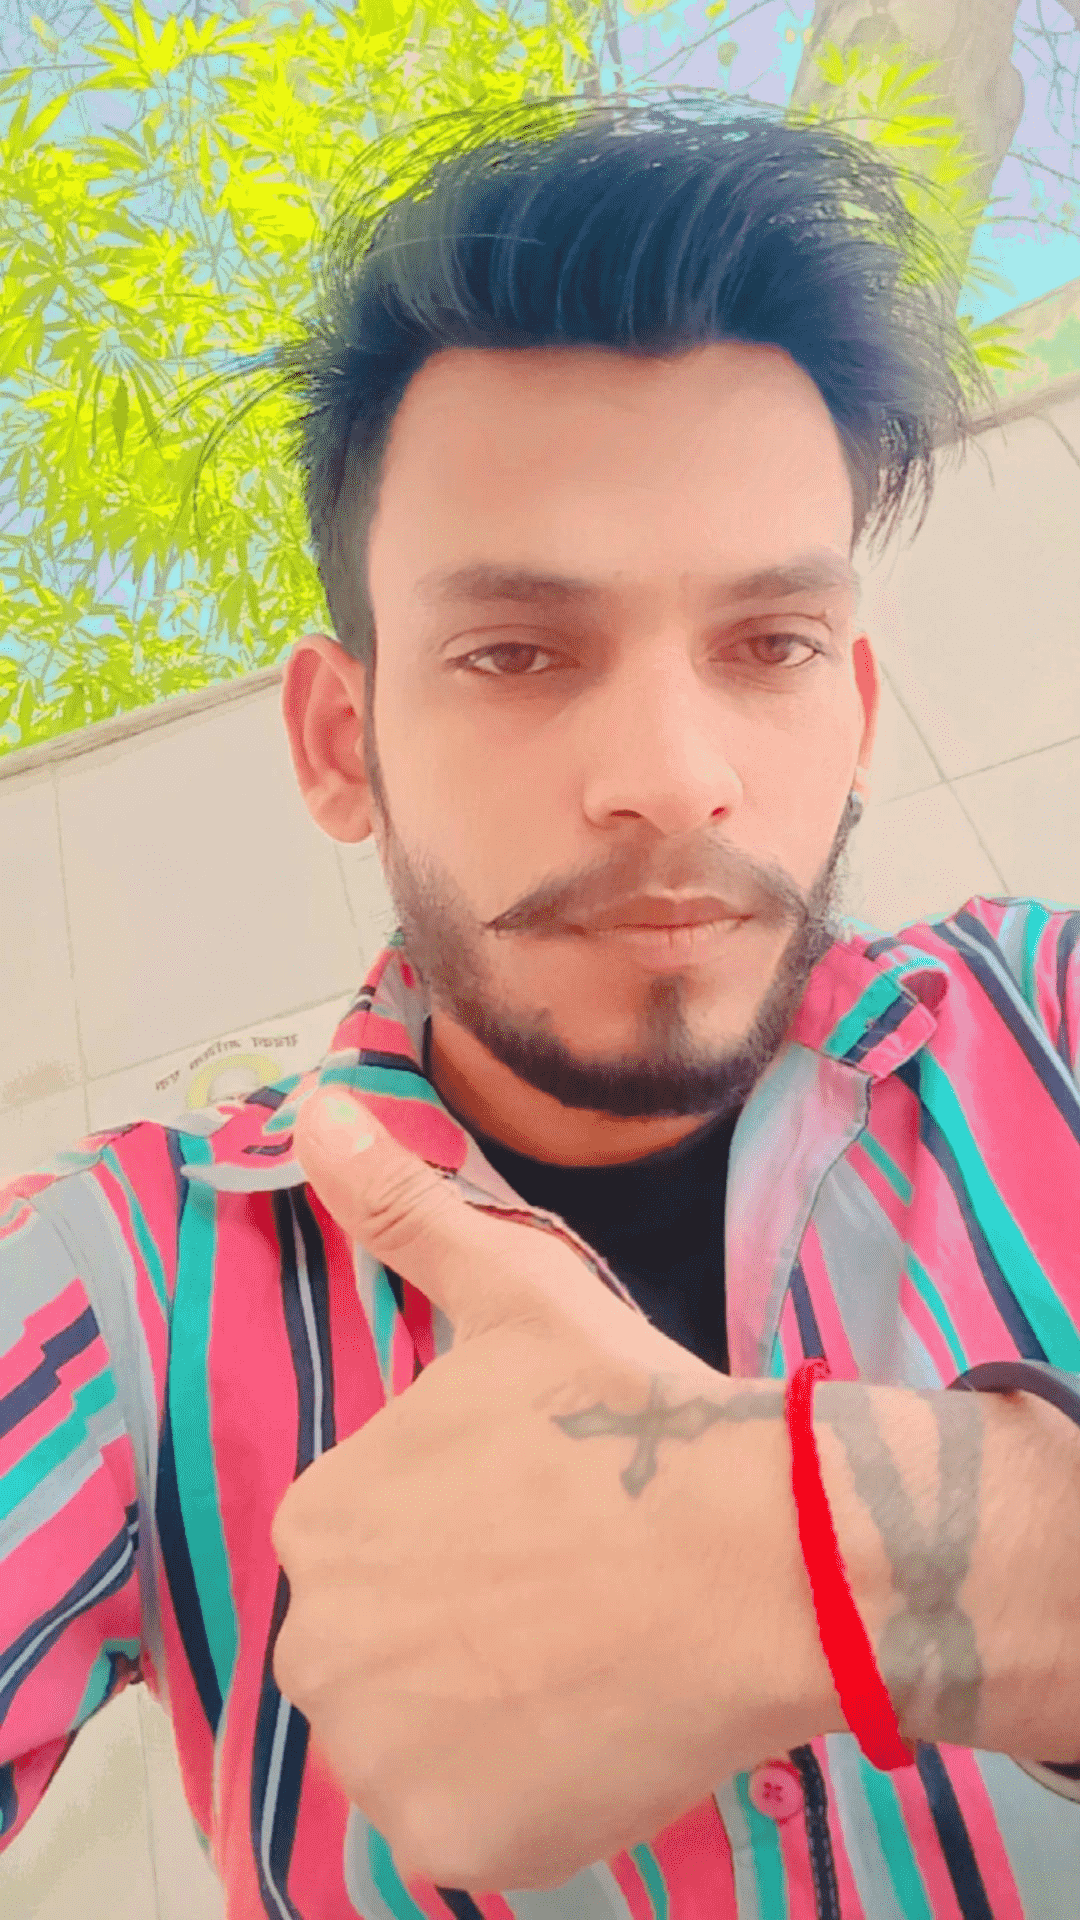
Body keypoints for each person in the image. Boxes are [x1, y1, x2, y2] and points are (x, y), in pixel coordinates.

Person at [2, 91, 1078, 1919]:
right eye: (515, 651)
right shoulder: (116, 1296)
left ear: (856, 711)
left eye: (770, 646)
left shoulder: (1052, 1019)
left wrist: (873, 1561)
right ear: (341, 743)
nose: (671, 776)